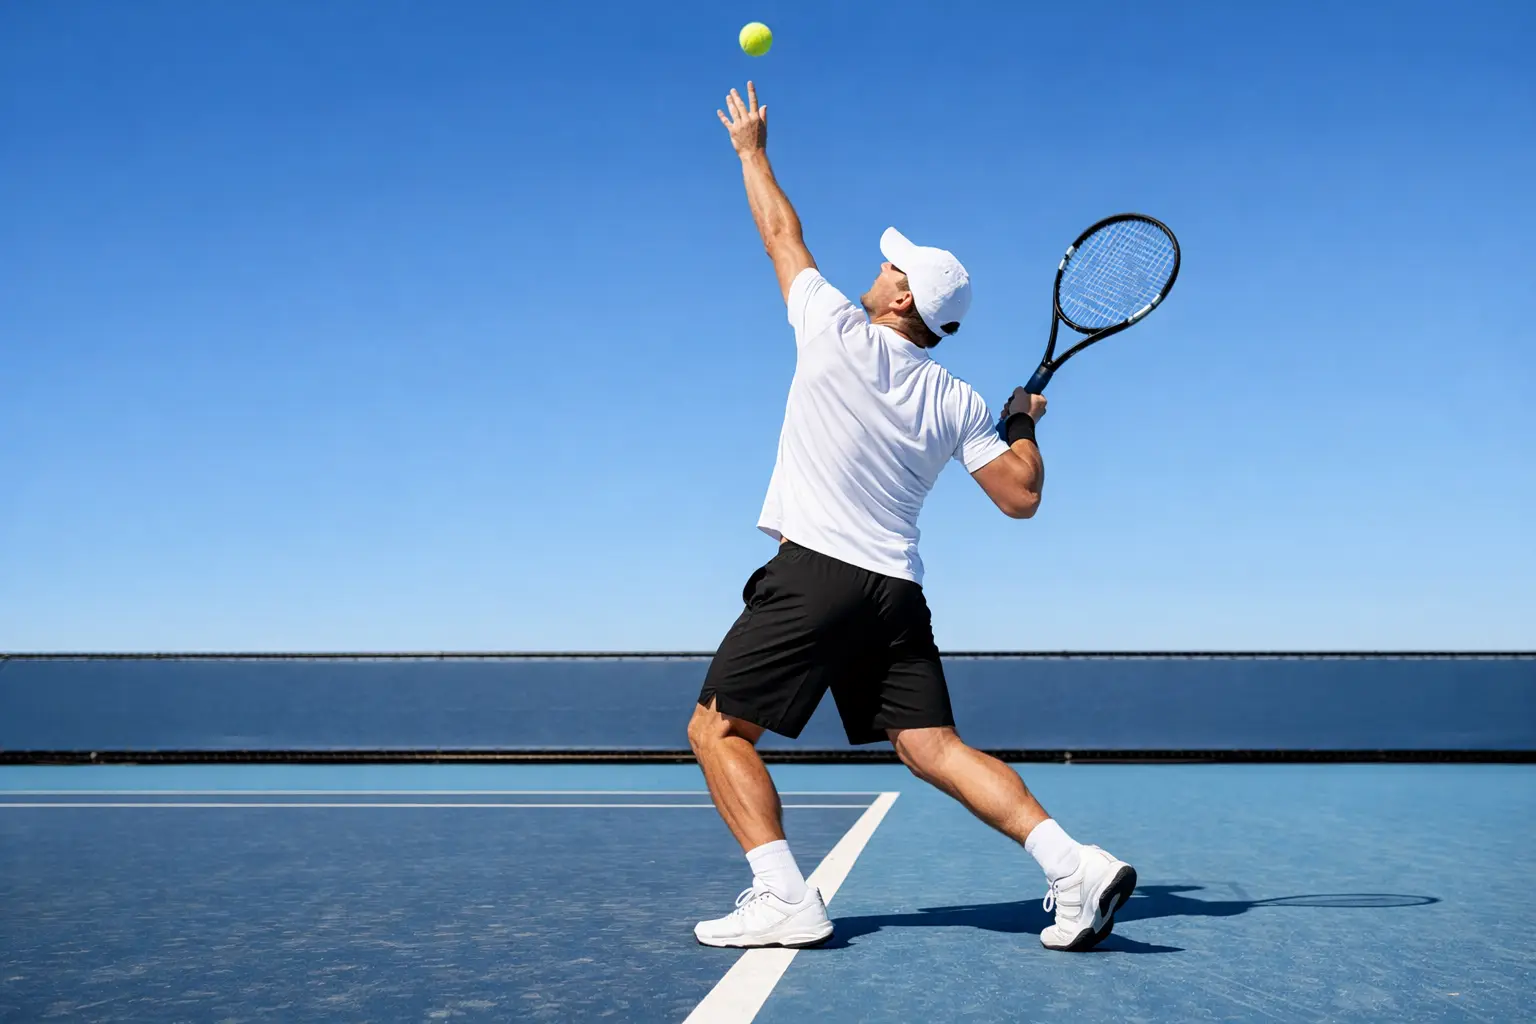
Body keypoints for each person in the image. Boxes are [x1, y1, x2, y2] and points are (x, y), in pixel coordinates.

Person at [688, 82, 1136, 954]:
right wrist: (1019, 426)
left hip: (814, 573)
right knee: (930, 744)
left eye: (894, 267)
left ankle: (783, 897)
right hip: (894, 592)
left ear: (902, 302)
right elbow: (1021, 497)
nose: (882, 267)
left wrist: (750, 151)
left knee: (716, 728)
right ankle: (1072, 864)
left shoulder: (830, 328)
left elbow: (782, 233)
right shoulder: (959, 399)